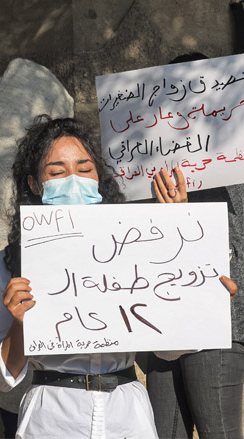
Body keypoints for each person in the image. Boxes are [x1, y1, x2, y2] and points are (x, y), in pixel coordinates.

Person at [0, 116, 238, 438]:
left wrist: (200, 299)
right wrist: (19, 324)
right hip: (52, 421)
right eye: (57, 172)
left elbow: (168, 351)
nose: (73, 180)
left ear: (99, 178)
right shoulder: (10, 263)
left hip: (127, 418)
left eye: (85, 169)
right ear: (34, 184)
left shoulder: (137, 246)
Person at [142, 52, 244, 439]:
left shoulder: (233, 165)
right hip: (161, 325)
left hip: (218, 326)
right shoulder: (148, 171)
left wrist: (187, 216)